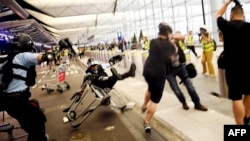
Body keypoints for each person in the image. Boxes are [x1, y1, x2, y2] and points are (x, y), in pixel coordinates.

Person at [0, 33, 55, 141]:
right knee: (38, 123)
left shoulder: (5, 62)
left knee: (33, 123)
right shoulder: (23, 56)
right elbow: (46, 56)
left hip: (8, 103)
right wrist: (59, 49)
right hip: (18, 102)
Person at [216, 0, 250, 125]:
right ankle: (246, 118)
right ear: (243, 15)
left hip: (233, 67)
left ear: (231, 15)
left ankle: (240, 128)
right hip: (249, 66)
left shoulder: (227, 26)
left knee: (236, 97)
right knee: (248, 92)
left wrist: (227, 3)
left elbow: (218, 15)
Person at [141, 22, 176, 132]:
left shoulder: (153, 42)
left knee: (150, 88)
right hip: (159, 74)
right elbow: (171, 59)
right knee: (155, 100)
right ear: (167, 33)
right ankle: (147, 122)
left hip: (147, 71)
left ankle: (144, 105)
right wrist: (174, 47)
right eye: (170, 33)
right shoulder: (170, 46)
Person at [166, 32, 208, 111]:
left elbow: (182, 37)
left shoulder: (175, 40)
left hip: (181, 67)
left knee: (190, 86)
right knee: (176, 90)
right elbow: (169, 58)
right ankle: (183, 102)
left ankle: (197, 103)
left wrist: (173, 37)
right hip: (169, 72)